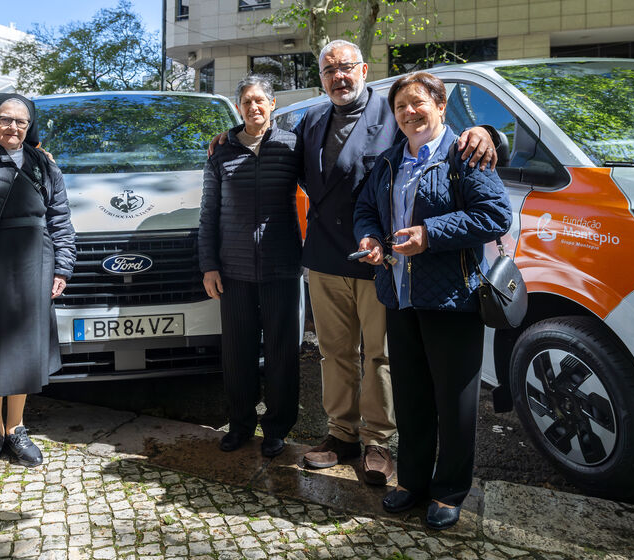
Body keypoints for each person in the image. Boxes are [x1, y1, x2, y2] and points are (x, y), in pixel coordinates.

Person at [285, 40, 498, 485]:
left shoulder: (395, 111)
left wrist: (487, 133)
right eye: (329, 70)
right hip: (327, 255)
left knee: (381, 357)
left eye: (346, 67)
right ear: (320, 78)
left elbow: (446, 139)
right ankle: (341, 433)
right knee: (334, 353)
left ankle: (377, 441)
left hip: (386, 263)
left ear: (364, 70)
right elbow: (281, 155)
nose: (338, 77)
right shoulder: (312, 119)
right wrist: (230, 137)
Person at [353, 71, 511, 529]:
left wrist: (430, 234)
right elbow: (366, 209)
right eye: (400, 106)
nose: (409, 112)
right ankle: (413, 482)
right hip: (399, 297)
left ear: (441, 106)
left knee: (454, 403)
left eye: (418, 102)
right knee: (411, 398)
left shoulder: (464, 153)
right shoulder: (388, 162)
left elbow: (495, 214)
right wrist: (371, 238)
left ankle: (449, 491)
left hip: (452, 299)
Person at [0, 93, 76, 478]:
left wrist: (62, 268)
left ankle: (16, 428)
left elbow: (61, 220)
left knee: (24, 348)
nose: (13, 127)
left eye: (21, 121)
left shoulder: (44, 164)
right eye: (5, 119)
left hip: (34, 262)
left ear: (30, 125)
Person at [199, 75, 303, 458]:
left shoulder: (292, 146)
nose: (254, 106)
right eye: (246, 101)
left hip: (282, 267)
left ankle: (277, 428)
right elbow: (208, 213)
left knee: (281, 353)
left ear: (272, 104)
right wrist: (209, 265)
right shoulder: (221, 152)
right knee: (237, 354)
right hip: (234, 271)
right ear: (239, 107)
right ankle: (240, 424)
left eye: (260, 100)